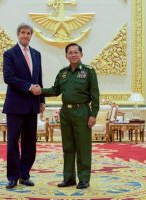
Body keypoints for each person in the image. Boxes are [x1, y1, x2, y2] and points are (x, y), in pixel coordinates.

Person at [32, 43, 99, 189]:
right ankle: (69, 178)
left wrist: (93, 115)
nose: (73, 55)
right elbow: (55, 90)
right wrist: (40, 91)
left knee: (83, 147)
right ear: (66, 55)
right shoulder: (63, 72)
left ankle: (84, 179)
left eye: (76, 52)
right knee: (67, 147)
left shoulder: (89, 71)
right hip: (66, 113)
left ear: (81, 54)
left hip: (82, 112)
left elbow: (95, 95)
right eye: (70, 53)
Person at [2, 23, 45, 189]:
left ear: (31, 35)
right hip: (15, 106)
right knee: (13, 142)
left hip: (32, 106)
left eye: (28, 33)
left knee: (30, 143)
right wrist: (29, 87)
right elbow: (8, 77)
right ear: (18, 34)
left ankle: (24, 174)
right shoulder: (9, 54)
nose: (25, 35)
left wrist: (41, 101)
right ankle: (12, 176)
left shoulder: (36, 54)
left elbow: (39, 79)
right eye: (23, 33)